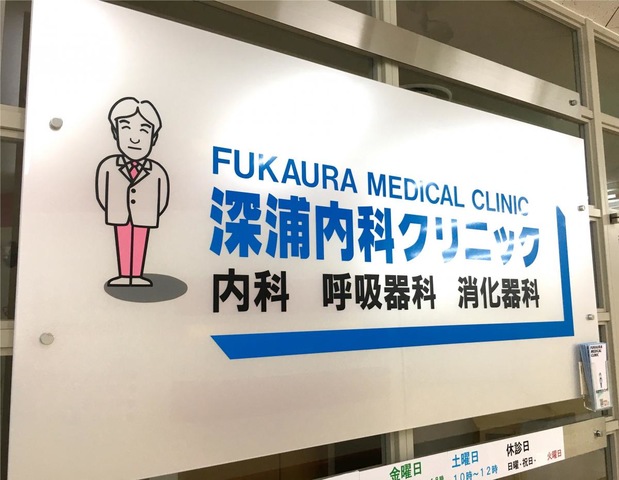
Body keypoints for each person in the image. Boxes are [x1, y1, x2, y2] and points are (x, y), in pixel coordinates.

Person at [95, 97, 169, 286]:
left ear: (154, 138)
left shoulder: (157, 170)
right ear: (115, 132)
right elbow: (102, 193)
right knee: (122, 240)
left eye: (144, 130)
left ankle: (136, 275)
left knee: (140, 242)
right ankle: (124, 274)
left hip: (145, 215)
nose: (135, 138)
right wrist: (114, 207)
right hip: (119, 212)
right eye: (126, 128)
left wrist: (150, 211)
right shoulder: (109, 165)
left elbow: (163, 198)